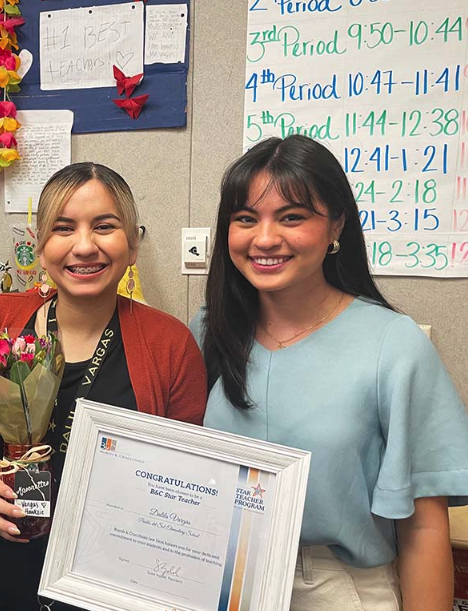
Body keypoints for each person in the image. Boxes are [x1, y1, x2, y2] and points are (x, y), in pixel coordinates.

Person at [190, 135, 468, 611]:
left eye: (291, 217)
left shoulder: (394, 345)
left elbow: (423, 527)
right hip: (220, 577)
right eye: (245, 219)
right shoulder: (208, 332)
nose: (264, 238)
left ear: (336, 223)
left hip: (338, 588)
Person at [0, 162, 208, 611]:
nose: (84, 246)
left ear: (133, 244)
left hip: (115, 580)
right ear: (41, 249)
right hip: (3, 567)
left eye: (104, 226)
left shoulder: (169, 344)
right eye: (64, 228)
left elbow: (183, 481)